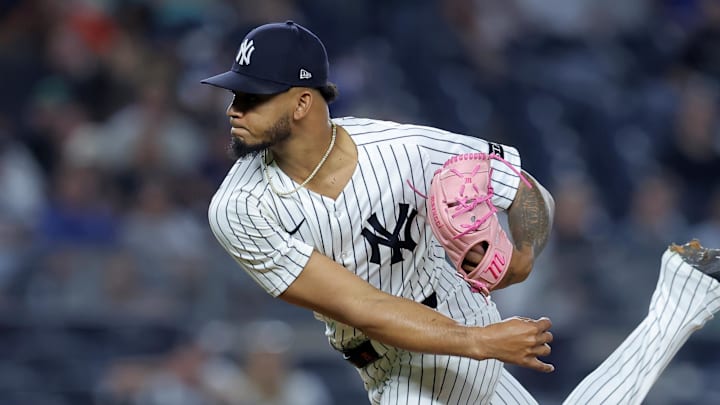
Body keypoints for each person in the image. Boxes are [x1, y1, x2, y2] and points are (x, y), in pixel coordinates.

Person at [200, 20, 720, 404]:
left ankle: (682, 300)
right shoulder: (240, 207)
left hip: (453, 332)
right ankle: (681, 301)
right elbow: (361, 307)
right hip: (397, 350)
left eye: (251, 97)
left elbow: (525, 189)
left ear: (302, 103)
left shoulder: (404, 148)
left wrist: (525, 249)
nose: (233, 110)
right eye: (235, 96)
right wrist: (480, 342)